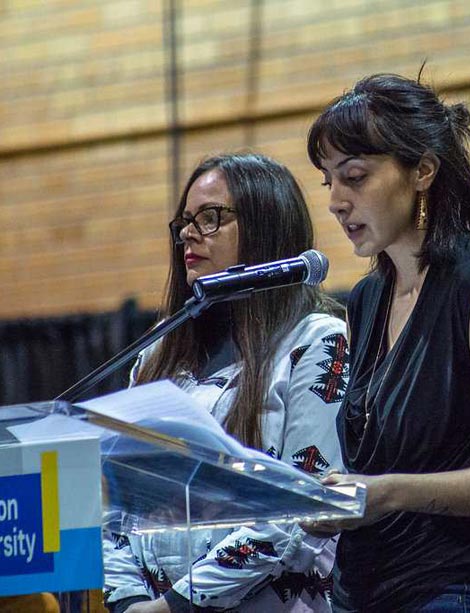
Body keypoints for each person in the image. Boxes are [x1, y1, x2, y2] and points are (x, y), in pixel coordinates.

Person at [302, 72, 470, 612]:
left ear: (423, 170)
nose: (335, 200)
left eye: (354, 176)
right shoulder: (366, 299)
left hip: (459, 595)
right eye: (328, 180)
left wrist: (392, 491)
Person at [102, 153, 349, 613]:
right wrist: (129, 601)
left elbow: (303, 507)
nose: (189, 234)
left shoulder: (315, 340)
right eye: (186, 221)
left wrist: (176, 606)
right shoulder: (156, 359)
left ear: (264, 227)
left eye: (212, 218)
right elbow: (116, 511)